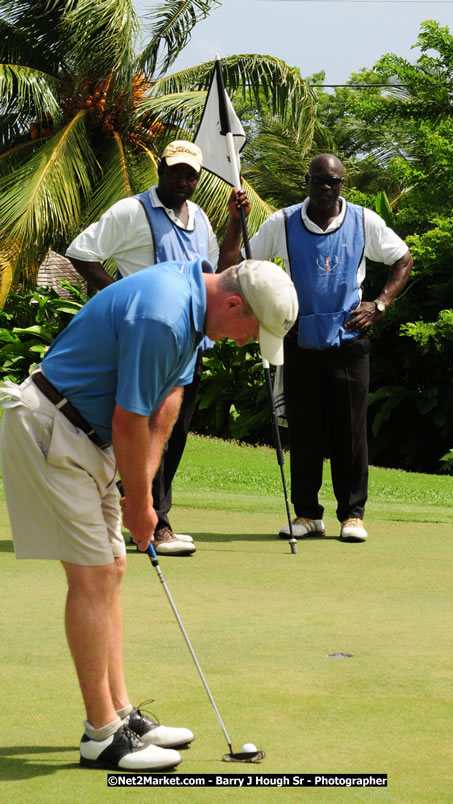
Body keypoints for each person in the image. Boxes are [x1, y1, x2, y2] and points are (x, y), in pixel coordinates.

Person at [0, 258, 298, 772]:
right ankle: (102, 736)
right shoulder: (162, 314)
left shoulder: (192, 309)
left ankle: (120, 713)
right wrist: (141, 506)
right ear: (232, 304)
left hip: (87, 437)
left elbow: (168, 399)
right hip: (51, 426)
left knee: (111, 569)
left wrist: (144, 490)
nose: (245, 342)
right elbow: (129, 415)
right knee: (92, 578)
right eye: (250, 331)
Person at [66, 140, 250, 556]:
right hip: (145, 341)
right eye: (175, 171)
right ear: (161, 170)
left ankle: (152, 517)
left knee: (171, 434)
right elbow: (81, 251)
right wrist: (122, 301)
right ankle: (154, 525)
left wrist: (235, 223)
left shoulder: (199, 217)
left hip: (187, 342)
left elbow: (221, 271)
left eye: (190, 175)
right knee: (142, 431)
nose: (182, 181)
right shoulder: (132, 211)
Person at [245, 154, 413, 543]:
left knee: (350, 432)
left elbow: (402, 259)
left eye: (333, 182)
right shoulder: (282, 222)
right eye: (319, 180)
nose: (326, 187)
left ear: (342, 184)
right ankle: (306, 515)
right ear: (307, 181)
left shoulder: (363, 220)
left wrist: (380, 304)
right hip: (300, 341)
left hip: (350, 341)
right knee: (305, 431)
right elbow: (247, 265)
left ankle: (352, 515)